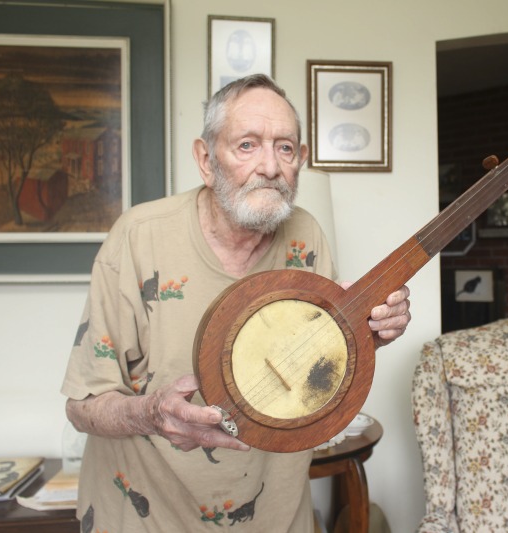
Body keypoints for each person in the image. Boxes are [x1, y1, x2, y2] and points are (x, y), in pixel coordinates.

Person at [61, 74, 411, 532]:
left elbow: (316, 363)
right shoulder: (138, 238)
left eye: (285, 148)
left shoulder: (306, 234)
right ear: (206, 160)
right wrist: (151, 412)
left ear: (300, 160)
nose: (270, 166)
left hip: (273, 516)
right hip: (146, 517)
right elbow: (83, 404)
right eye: (247, 145)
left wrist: (371, 331)